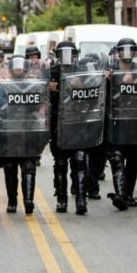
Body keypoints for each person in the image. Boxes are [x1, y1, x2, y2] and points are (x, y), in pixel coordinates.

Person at [105, 37, 137, 210]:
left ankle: (127, 195)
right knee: (116, 157)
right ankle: (120, 194)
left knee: (134, 160)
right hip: (117, 121)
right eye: (123, 50)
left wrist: (134, 83)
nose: (126, 54)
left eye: (130, 50)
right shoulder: (109, 71)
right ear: (118, 52)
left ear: (135, 52)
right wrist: (105, 81)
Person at [0, 52, 50, 214]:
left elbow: (42, 105)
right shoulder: (3, 86)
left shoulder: (34, 85)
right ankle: (12, 201)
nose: (19, 70)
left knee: (28, 166)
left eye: (21, 68)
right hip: (10, 131)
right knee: (10, 167)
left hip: (29, 131)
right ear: (11, 69)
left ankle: (28, 201)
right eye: (16, 68)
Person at [49, 41, 99, 216]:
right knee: (61, 162)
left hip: (78, 122)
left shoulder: (82, 72)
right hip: (59, 124)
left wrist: (81, 86)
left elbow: (94, 98)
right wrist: (49, 90)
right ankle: (61, 199)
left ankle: (81, 199)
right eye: (63, 54)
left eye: (70, 54)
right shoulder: (51, 73)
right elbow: (41, 100)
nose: (67, 58)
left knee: (79, 159)